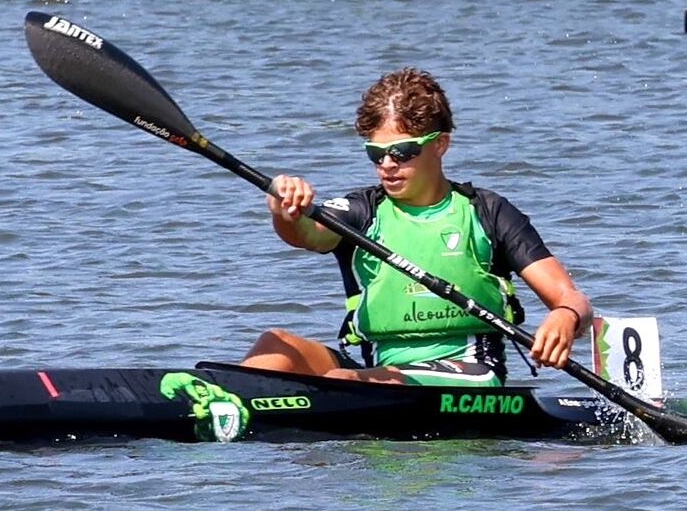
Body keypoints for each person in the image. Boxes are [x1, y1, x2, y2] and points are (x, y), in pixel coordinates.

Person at [242, 68, 591, 387]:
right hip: (378, 371)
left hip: (471, 371)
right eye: (376, 154)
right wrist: (284, 211)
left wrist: (565, 315)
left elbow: (573, 300)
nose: (387, 165)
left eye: (403, 151)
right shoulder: (362, 211)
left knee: (343, 380)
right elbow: (306, 234)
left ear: (440, 144)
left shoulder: (487, 212)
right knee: (275, 346)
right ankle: (231, 408)